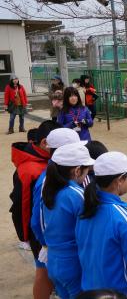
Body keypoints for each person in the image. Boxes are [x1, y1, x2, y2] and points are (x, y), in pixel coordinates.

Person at [76, 152, 127, 299]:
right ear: (120, 180)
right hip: (118, 294)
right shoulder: (123, 219)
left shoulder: (86, 208)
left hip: (90, 290)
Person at [9, 120, 61, 299]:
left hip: (43, 225)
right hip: (37, 230)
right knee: (43, 269)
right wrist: (25, 237)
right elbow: (21, 206)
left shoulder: (43, 160)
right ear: (45, 142)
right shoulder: (30, 168)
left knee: (46, 268)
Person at [41, 143, 95, 298]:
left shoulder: (50, 189)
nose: (87, 176)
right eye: (86, 171)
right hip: (73, 262)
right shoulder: (77, 194)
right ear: (77, 171)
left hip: (54, 260)